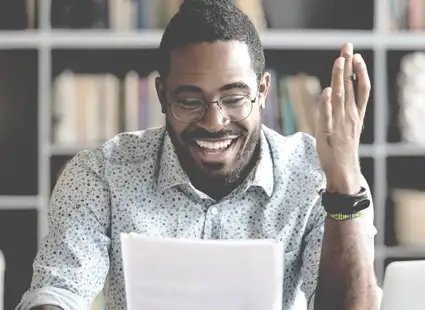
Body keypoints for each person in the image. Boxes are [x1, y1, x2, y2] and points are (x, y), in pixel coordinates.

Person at [17, 0, 380, 309]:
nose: (213, 122)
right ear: (162, 95)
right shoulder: (101, 174)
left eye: (235, 99)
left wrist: (345, 183)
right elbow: (59, 291)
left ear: (263, 90)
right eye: (190, 101)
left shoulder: (316, 176)